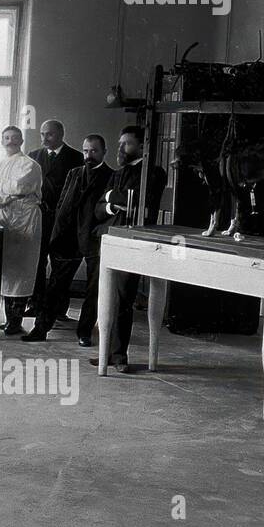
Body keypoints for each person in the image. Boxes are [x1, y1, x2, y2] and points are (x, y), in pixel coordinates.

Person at [88, 125, 168, 373]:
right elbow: (98, 209)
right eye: (120, 143)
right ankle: (107, 354)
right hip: (112, 240)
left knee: (123, 299)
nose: (121, 148)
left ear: (143, 146)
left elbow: (135, 201)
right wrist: (112, 204)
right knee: (107, 299)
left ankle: (119, 356)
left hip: (133, 242)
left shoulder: (153, 173)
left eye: (127, 144)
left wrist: (113, 197)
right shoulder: (119, 173)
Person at [22, 135, 112, 345]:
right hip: (68, 238)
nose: (89, 155)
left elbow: (109, 211)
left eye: (94, 151)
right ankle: (41, 329)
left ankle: (85, 332)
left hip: (93, 239)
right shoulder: (74, 173)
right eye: (86, 151)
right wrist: (57, 234)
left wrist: (100, 230)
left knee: (93, 289)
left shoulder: (111, 176)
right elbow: (63, 205)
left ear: (104, 152)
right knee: (55, 285)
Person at [0, 125, 43, 335]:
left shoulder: (30, 165)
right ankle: (10, 319)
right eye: (6, 137)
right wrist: (5, 193)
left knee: (22, 268)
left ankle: (16, 321)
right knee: (6, 269)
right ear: (2, 141)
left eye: (14, 137)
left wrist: (2, 192)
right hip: (6, 219)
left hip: (26, 218)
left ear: (21, 141)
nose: (10, 141)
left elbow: (19, 187)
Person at [26, 119, 84, 318]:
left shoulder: (77, 158)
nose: (44, 139)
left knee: (60, 265)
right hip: (39, 218)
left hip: (64, 222)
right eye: (42, 134)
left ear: (61, 135)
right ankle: (35, 304)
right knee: (38, 262)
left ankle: (58, 310)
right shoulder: (33, 157)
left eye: (49, 134)